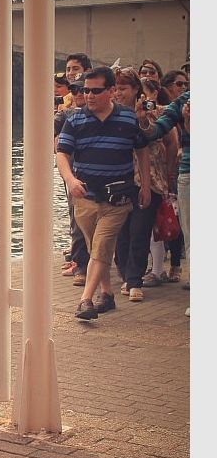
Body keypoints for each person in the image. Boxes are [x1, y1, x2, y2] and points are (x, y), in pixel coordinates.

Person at [56, 66, 151, 320]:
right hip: (85, 196)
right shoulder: (74, 119)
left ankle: (85, 300)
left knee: (102, 244)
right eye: (85, 90)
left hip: (118, 197)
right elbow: (62, 153)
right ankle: (107, 294)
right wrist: (70, 179)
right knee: (96, 246)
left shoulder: (128, 119)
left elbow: (142, 150)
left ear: (111, 91)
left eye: (96, 91)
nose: (89, 95)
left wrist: (145, 184)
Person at [112, 67, 169, 302]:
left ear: (136, 89)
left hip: (149, 180)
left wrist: (141, 118)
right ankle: (126, 274)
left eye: (123, 88)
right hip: (120, 180)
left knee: (139, 231)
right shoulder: (110, 113)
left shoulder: (153, 111)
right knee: (120, 232)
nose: (118, 93)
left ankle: (134, 280)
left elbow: (158, 136)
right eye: (114, 88)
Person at [137, 89, 190, 314]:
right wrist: (143, 121)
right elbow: (159, 129)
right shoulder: (186, 99)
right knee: (193, 237)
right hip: (190, 173)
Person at [55, 80, 90, 284]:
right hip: (74, 175)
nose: (79, 93)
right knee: (77, 220)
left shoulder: (111, 115)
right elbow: (44, 129)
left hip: (103, 176)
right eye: (75, 90)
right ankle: (81, 265)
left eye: (83, 90)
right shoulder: (68, 114)